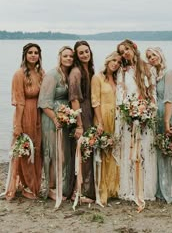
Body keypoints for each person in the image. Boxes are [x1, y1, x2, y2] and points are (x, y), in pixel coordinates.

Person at [114, 39, 157, 212]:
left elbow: (152, 92)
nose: (125, 53)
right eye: (121, 51)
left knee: (145, 151)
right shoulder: (122, 72)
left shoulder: (147, 68)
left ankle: (146, 189)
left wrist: (148, 111)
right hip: (128, 116)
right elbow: (120, 92)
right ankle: (129, 188)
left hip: (145, 114)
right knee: (129, 152)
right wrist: (128, 111)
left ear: (133, 48)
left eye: (126, 50)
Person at [146, 47, 172, 203]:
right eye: (149, 56)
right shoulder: (154, 75)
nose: (151, 58)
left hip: (169, 115)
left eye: (154, 55)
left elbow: (170, 99)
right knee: (162, 151)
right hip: (159, 115)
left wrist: (167, 121)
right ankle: (162, 189)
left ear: (160, 55)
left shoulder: (169, 73)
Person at [3, 43, 43, 200]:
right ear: (25, 55)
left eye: (36, 53)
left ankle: (34, 184)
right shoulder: (19, 74)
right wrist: (17, 125)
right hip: (25, 113)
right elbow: (19, 101)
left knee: (37, 150)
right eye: (30, 53)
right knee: (26, 149)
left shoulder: (41, 73)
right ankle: (26, 185)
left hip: (38, 114)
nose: (33, 55)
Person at [38, 46, 74, 208]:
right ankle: (51, 187)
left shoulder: (69, 74)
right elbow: (44, 102)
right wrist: (55, 118)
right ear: (59, 57)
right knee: (53, 153)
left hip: (66, 118)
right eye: (65, 56)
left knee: (64, 154)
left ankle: (63, 185)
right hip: (52, 118)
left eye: (71, 56)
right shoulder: (52, 75)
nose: (68, 59)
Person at [91, 51, 121, 206]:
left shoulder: (117, 78)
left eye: (118, 62)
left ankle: (113, 188)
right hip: (103, 115)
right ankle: (102, 190)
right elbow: (95, 101)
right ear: (108, 59)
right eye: (113, 60)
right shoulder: (97, 78)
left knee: (114, 151)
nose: (115, 63)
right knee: (103, 152)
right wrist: (100, 122)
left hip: (116, 117)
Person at [69, 40, 95, 202]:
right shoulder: (76, 72)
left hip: (90, 113)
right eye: (81, 53)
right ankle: (78, 192)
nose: (85, 54)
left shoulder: (89, 70)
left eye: (87, 51)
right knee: (82, 152)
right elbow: (74, 100)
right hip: (82, 114)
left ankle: (84, 189)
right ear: (77, 56)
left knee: (88, 151)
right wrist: (79, 124)